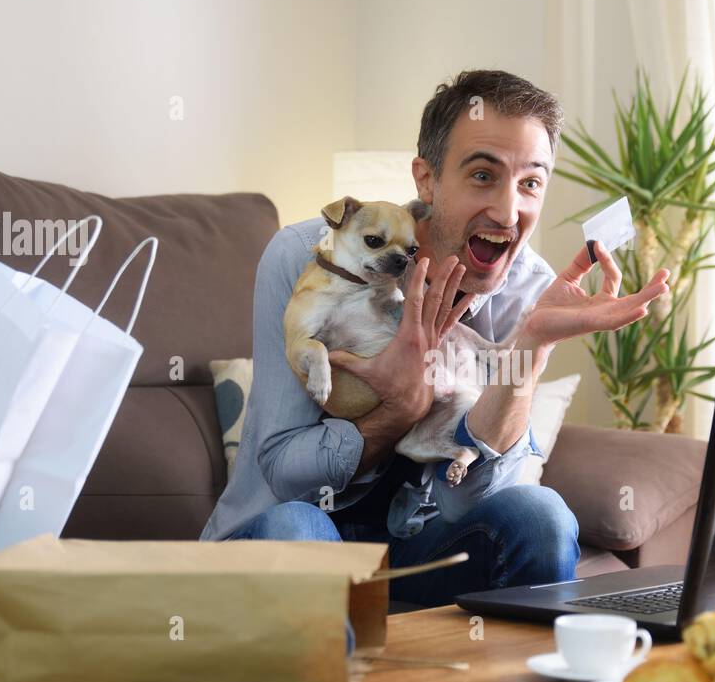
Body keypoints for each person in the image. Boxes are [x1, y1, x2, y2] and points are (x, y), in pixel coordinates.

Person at [201, 69, 669, 620]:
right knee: (297, 528)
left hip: (419, 539)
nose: (507, 211)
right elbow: (285, 470)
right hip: (293, 519)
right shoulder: (310, 256)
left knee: (541, 516)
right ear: (427, 180)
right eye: (481, 176)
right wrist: (400, 407)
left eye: (530, 184)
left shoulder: (533, 290)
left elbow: (469, 498)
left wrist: (533, 345)